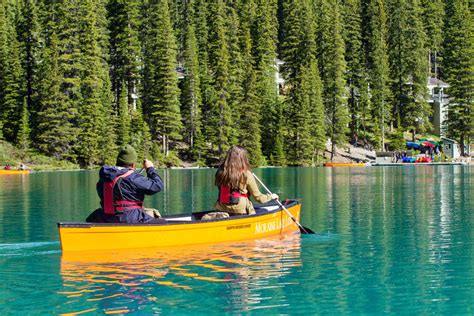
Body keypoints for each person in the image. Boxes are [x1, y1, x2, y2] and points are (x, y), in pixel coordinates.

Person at [86, 144, 165, 224]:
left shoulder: (104, 176)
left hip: (105, 217)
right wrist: (150, 169)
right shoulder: (133, 178)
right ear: (133, 164)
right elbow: (158, 185)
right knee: (163, 222)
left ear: (118, 162)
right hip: (130, 218)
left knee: (91, 218)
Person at [214, 146, 278, 216]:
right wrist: (271, 196)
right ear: (243, 158)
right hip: (240, 211)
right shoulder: (246, 174)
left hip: (220, 209)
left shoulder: (220, 172)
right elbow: (258, 198)